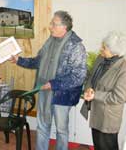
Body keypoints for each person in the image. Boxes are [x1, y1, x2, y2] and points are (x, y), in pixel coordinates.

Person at [10, 11, 87, 150]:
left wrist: (53, 84)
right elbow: (38, 61)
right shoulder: (50, 40)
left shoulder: (76, 46)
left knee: (61, 130)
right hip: (44, 90)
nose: (50, 26)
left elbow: (78, 76)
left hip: (62, 95)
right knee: (42, 126)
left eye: (53, 24)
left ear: (64, 27)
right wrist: (19, 60)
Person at [81, 32, 126, 150]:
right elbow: (91, 76)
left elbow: (118, 97)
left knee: (107, 146)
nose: (101, 49)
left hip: (108, 119)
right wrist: (89, 89)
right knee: (98, 146)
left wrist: (95, 95)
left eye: (104, 47)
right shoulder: (101, 59)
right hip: (96, 113)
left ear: (114, 52)